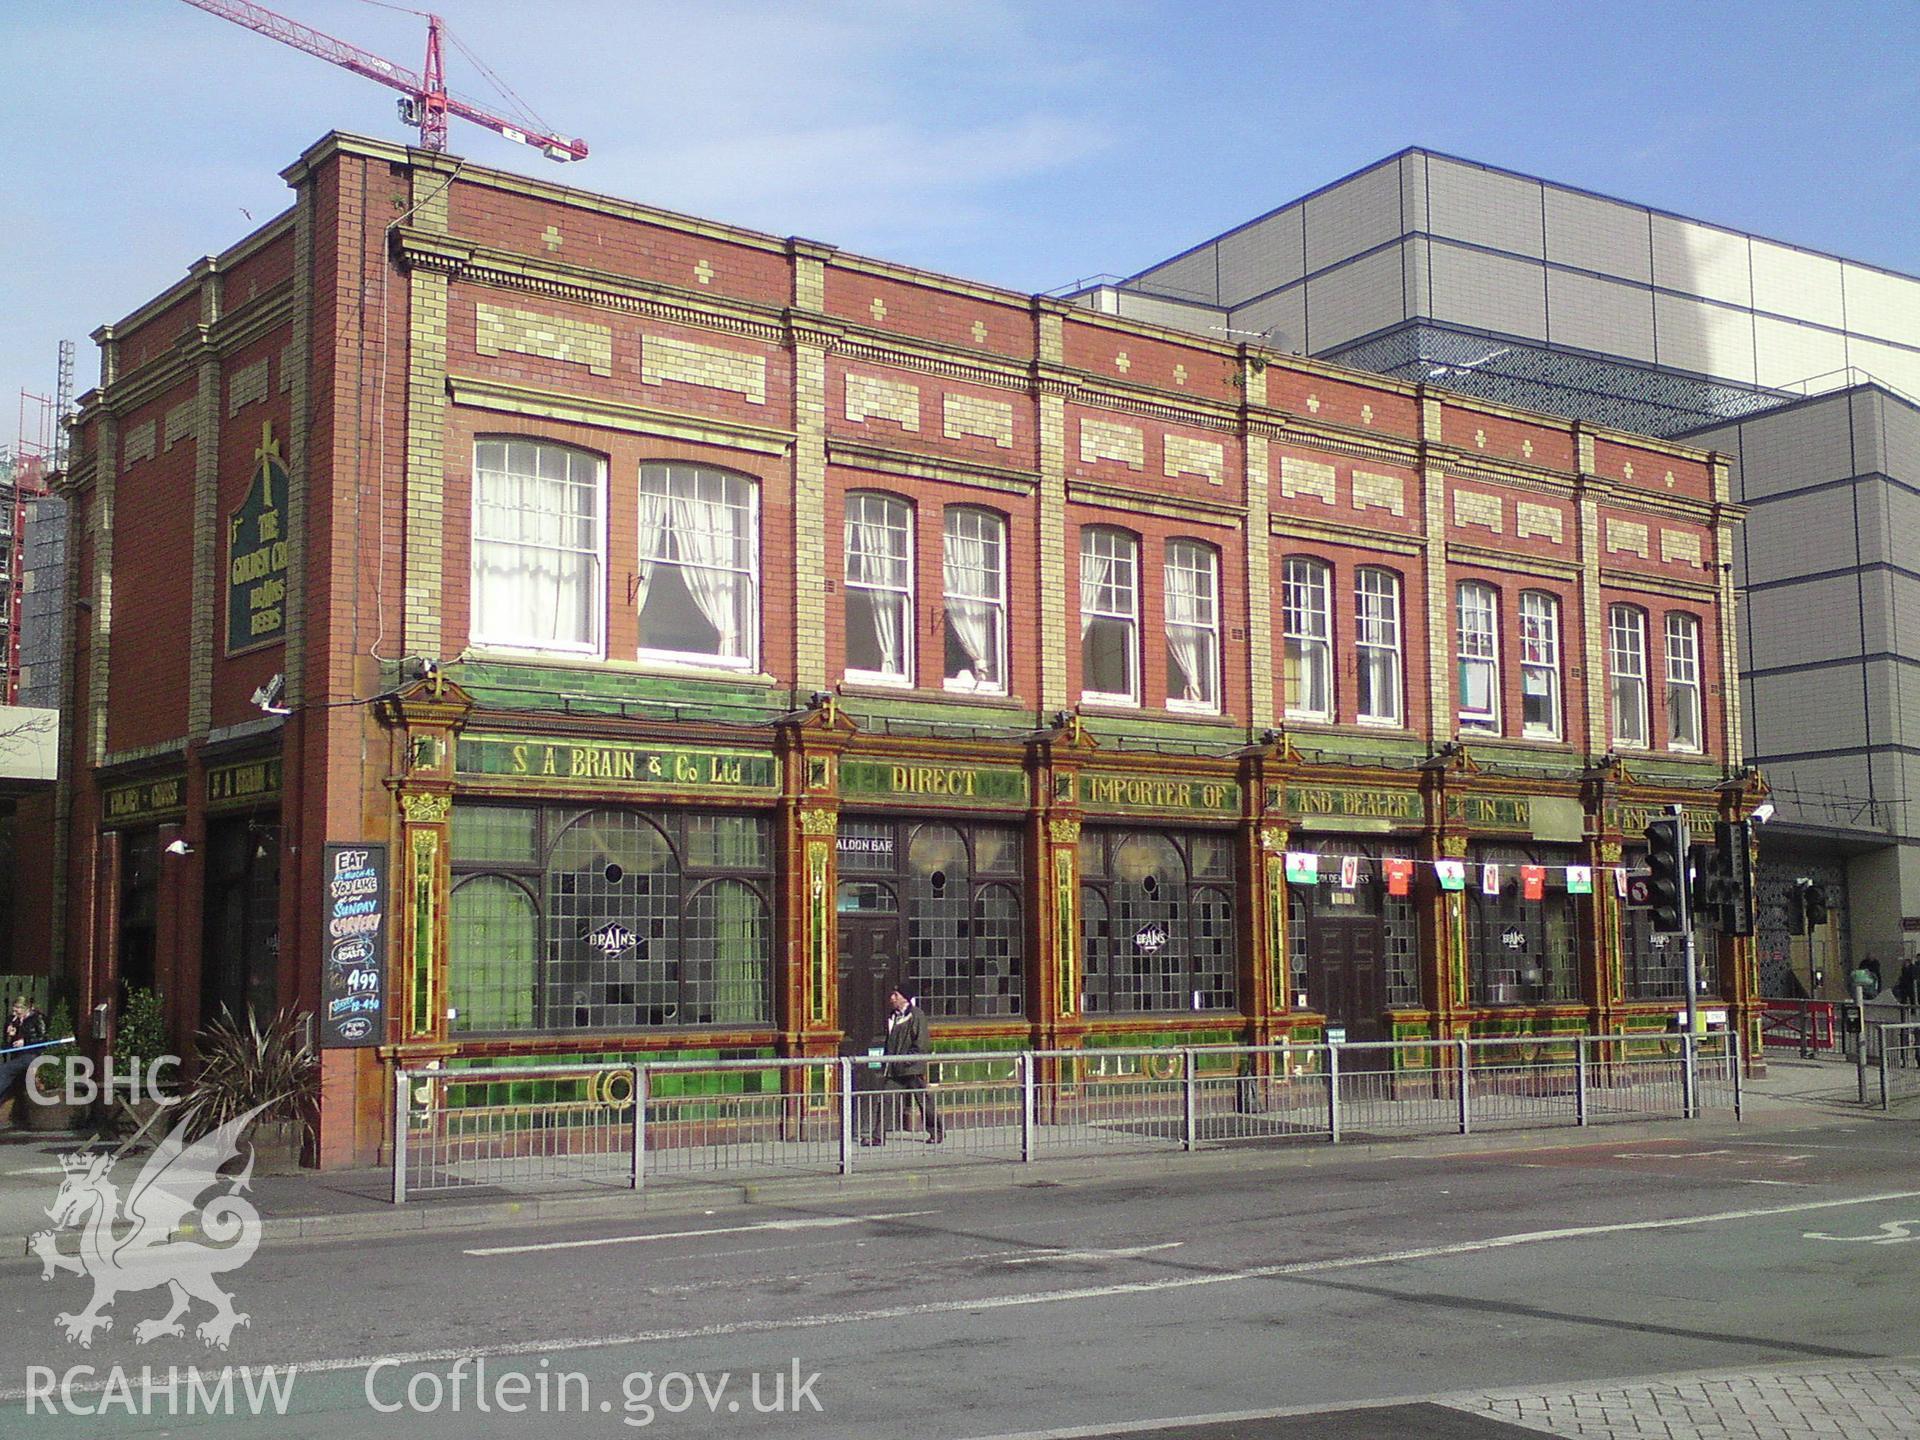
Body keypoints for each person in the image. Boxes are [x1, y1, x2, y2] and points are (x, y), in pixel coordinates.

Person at [864, 987, 942, 1146]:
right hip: (894, 1068)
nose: (892, 998)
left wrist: (909, 1060)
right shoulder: (893, 1016)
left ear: (904, 998)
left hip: (911, 1068)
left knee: (923, 1101)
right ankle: (878, 1136)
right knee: (885, 1099)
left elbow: (922, 1043)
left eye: (895, 995)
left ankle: (936, 1132)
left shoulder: (916, 1015)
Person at [0, 996, 47, 1107]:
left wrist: (25, 1041)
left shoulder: (37, 1018)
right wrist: (9, 1036)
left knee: (5, 1070)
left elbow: (44, 1038)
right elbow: (6, 1044)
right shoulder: (11, 1021)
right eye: (14, 1008)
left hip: (31, 1054)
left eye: (18, 1008)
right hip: (17, 1056)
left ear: (26, 1008)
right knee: (10, 1085)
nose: (15, 1011)